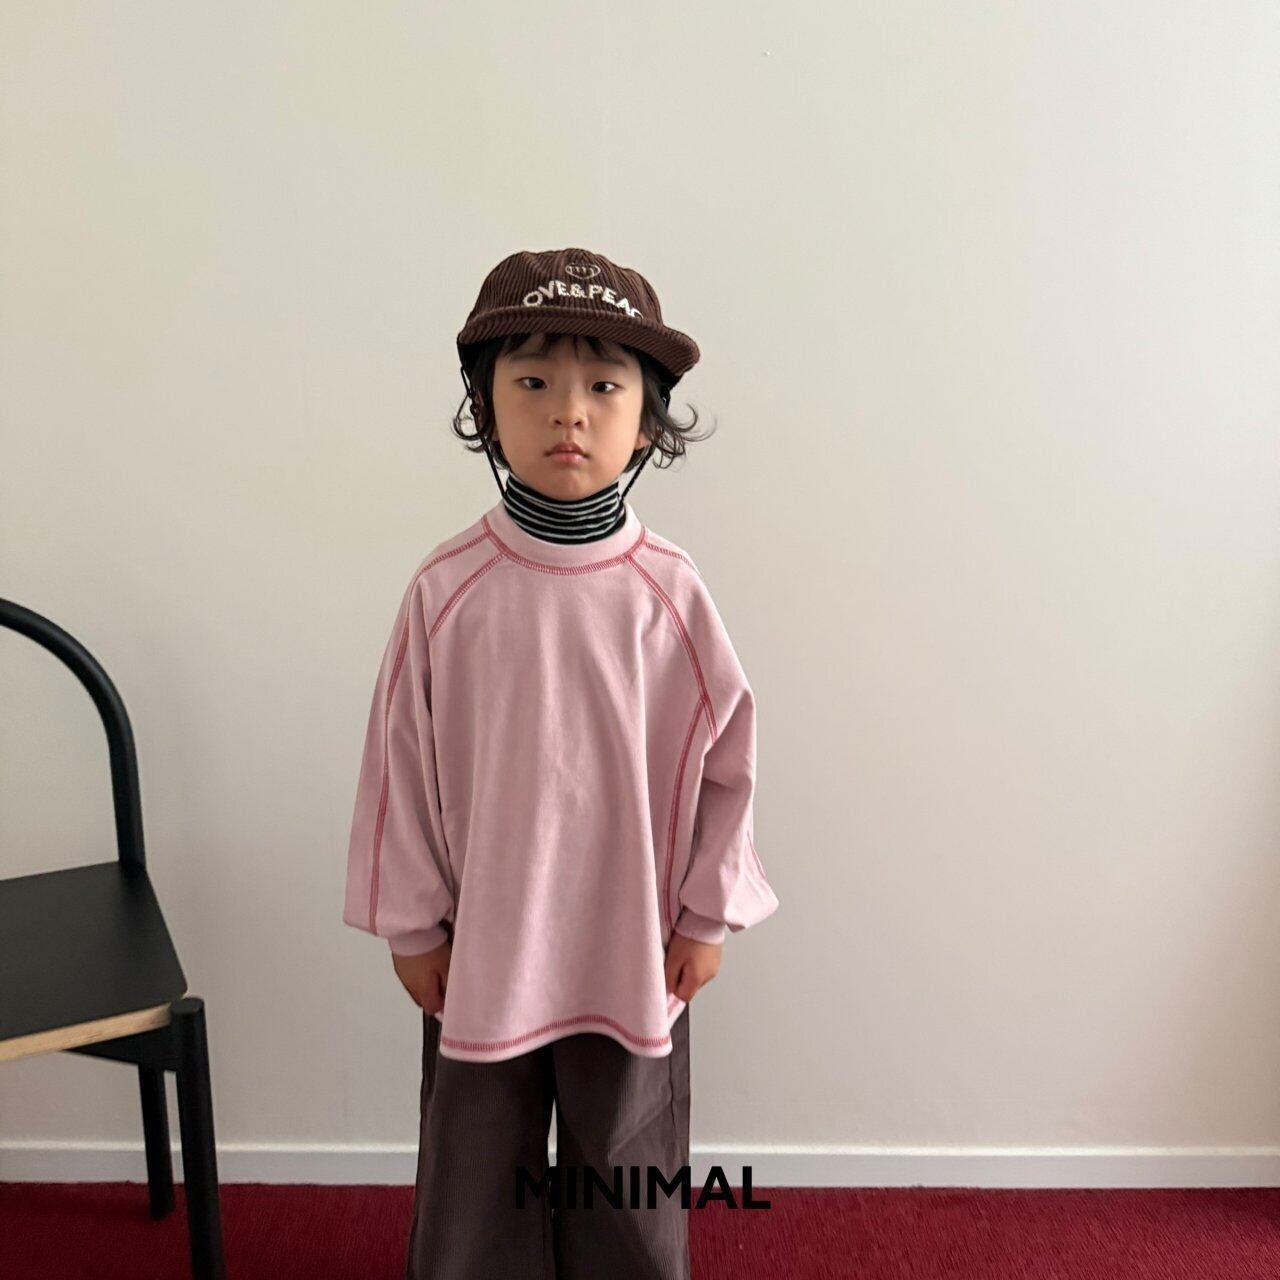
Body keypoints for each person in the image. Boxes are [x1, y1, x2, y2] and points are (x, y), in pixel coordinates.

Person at [343, 246, 780, 1279]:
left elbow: (729, 761)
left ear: (649, 419)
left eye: (603, 386)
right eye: (533, 381)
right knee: (474, 1169)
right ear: (486, 406)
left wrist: (706, 914)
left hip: (633, 946)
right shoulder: (447, 589)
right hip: (483, 950)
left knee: (626, 1168)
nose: (567, 413)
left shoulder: (668, 591)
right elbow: (398, 767)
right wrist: (411, 924)